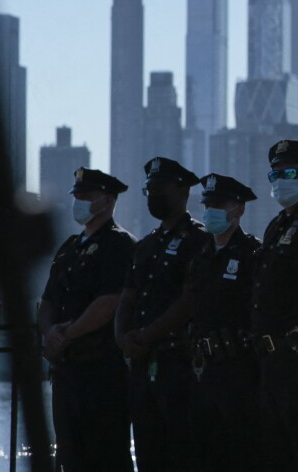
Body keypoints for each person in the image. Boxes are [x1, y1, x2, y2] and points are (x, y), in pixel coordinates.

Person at [116, 156, 212, 472]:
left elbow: (189, 301)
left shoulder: (199, 240)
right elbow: (128, 297)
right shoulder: (145, 246)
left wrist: (146, 334)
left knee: (181, 451)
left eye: (160, 188)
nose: (154, 195)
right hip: (142, 366)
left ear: (182, 190)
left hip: (178, 363)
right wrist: (122, 338)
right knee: (147, 452)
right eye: (149, 189)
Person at [39, 167, 137, 472]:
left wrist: (68, 333)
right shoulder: (70, 248)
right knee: (70, 456)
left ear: (107, 201)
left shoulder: (119, 245)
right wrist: (49, 334)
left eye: (86, 196)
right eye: (76, 195)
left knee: (105, 455)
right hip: (67, 371)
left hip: (102, 372)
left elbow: (110, 301)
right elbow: (48, 300)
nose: (78, 201)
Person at [252, 139, 298, 472]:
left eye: (291, 172)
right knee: (274, 451)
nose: (281, 180)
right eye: (275, 174)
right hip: (271, 359)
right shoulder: (276, 225)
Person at [181, 172, 263, 472]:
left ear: (239, 209)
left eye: (219, 204)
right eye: (208, 204)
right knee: (203, 454)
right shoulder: (200, 257)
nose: (211, 211)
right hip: (202, 369)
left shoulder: (252, 253)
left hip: (237, 369)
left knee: (239, 453)